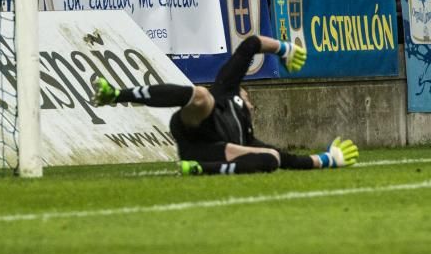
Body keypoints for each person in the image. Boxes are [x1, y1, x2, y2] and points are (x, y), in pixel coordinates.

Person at [91, 34, 361, 175]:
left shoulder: (250, 138)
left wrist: (328, 160)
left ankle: (201, 170)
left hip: (211, 151)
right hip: (199, 124)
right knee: (202, 95)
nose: (249, 98)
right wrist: (284, 49)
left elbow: (292, 160)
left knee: (273, 158)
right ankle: (117, 94)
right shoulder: (226, 90)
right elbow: (251, 44)